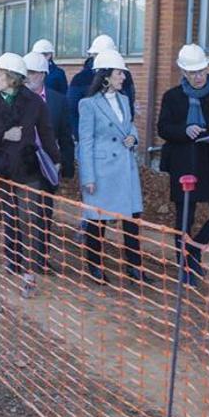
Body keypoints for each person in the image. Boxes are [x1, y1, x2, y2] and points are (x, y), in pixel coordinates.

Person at [0, 52, 61, 298]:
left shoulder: (35, 104)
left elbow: (46, 133)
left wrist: (55, 162)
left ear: (13, 78)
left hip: (27, 168)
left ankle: (29, 276)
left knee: (30, 221)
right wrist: (2, 134)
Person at [158, 44, 209, 285]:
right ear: (183, 72)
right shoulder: (173, 97)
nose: (199, 76)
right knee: (185, 217)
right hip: (188, 163)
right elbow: (163, 128)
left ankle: (194, 250)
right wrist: (184, 130)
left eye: (202, 71)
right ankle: (184, 264)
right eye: (193, 73)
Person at [78, 49, 154, 286]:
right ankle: (95, 266)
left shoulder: (124, 100)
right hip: (101, 172)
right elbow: (85, 141)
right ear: (106, 76)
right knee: (97, 221)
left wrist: (134, 138)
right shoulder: (88, 104)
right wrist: (87, 177)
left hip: (125, 168)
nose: (124, 78)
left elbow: (129, 127)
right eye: (120, 73)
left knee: (131, 220)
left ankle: (135, 267)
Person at [23, 51, 75, 275]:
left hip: (47, 166)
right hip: (21, 165)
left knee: (44, 214)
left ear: (43, 74)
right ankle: (15, 257)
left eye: (33, 73)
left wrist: (65, 165)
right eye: (25, 73)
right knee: (19, 212)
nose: (28, 77)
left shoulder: (58, 100)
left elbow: (65, 135)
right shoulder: (15, 98)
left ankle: (41, 259)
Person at [66, 34, 136, 141]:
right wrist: (80, 137)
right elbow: (72, 111)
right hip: (93, 140)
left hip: (120, 142)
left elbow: (129, 109)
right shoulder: (80, 79)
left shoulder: (124, 76)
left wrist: (130, 136)